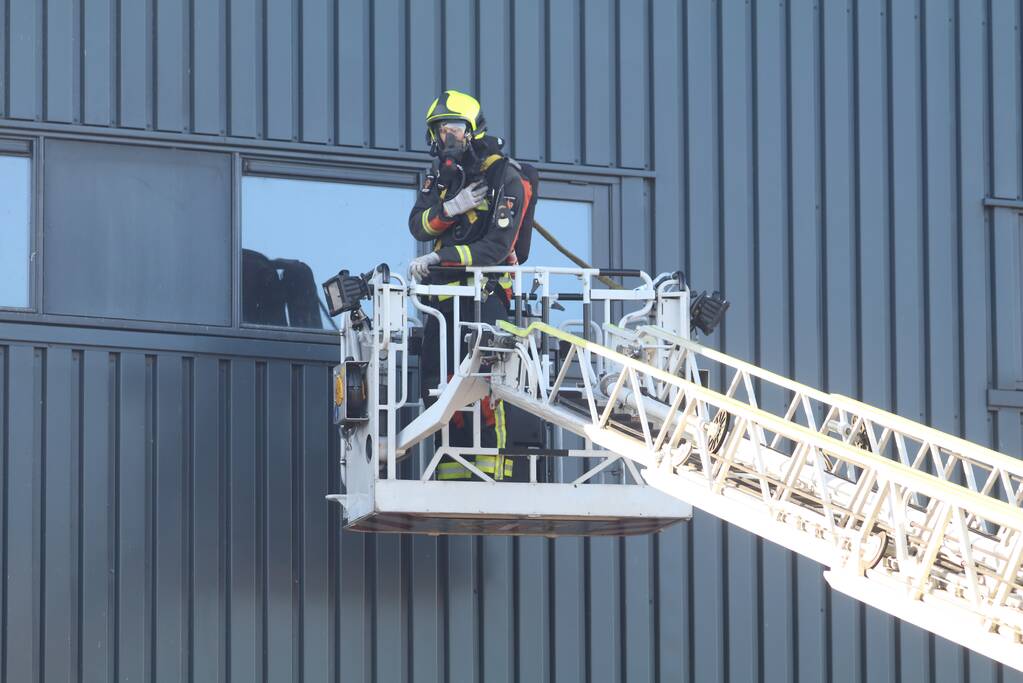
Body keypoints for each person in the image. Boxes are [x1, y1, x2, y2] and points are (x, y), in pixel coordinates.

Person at [408, 90, 535, 482]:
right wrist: (451, 207)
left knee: (488, 387)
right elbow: (418, 224)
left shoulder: (504, 176)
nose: (448, 136)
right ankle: (451, 473)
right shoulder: (441, 179)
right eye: (440, 129)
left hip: (486, 300)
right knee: (438, 388)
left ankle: (496, 475)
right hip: (442, 303)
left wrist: (439, 258)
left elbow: (497, 248)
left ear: (473, 129)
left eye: (455, 127)